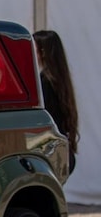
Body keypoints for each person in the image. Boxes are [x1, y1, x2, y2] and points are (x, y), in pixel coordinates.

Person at [33, 29, 79, 174]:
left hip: (53, 154)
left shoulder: (45, 81)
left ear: (42, 52)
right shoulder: (59, 80)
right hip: (63, 151)